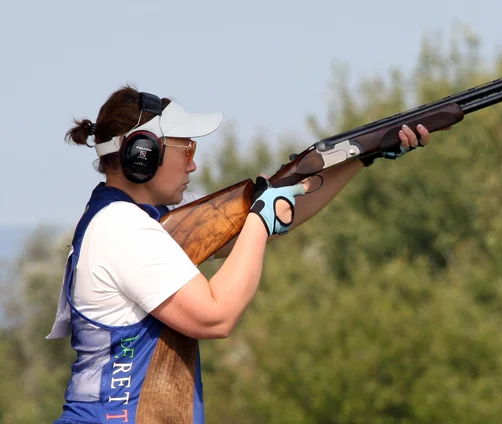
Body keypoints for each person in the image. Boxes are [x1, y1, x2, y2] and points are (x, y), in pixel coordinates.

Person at [46, 85, 441, 424]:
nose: (194, 164)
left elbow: (281, 213)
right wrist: (260, 218)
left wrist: (362, 156)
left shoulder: (145, 221)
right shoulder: (122, 229)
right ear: (143, 155)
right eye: (186, 151)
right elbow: (216, 315)